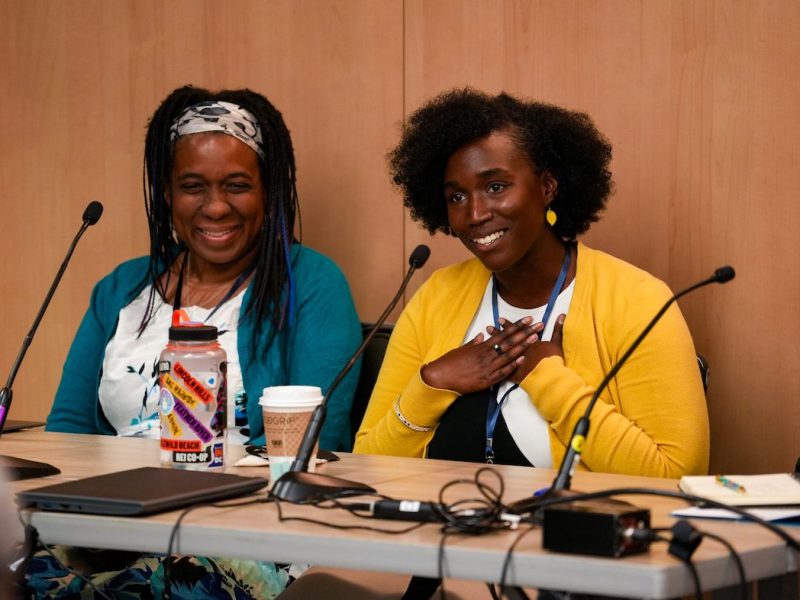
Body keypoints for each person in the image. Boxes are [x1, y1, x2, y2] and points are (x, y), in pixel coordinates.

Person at [29, 86, 362, 598]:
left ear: (269, 190)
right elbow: (67, 434)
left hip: (245, 535)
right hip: (110, 525)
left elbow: (316, 446)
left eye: (236, 185)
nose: (215, 207)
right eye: (192, 185)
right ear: (167, 192)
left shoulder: (311, 284)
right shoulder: (120, 289)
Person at [354, 88, 709, 479]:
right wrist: (433, 383)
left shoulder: (637, 301)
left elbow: (676, 474)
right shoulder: (437, 297)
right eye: (456, 196)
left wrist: (549, 379)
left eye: (495, 187)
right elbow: (367, 462)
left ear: (547, 187)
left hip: (570, 536)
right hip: (441, 534)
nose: (474, 214)